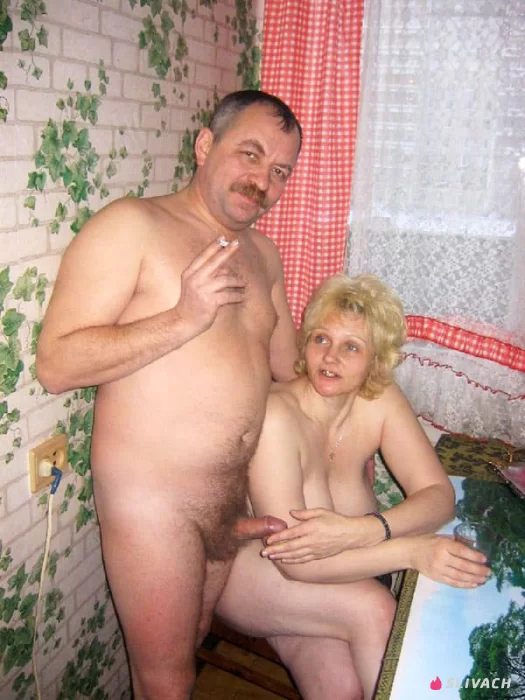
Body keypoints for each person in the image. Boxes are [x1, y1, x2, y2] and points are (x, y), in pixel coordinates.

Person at [36, 90, 304, 700]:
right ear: (205, 146)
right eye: (250, 154)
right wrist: (184, 318)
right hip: (155, 507)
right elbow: (56, 365)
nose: (263, 181)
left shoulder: (264, 255)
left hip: (229, 498)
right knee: (167, 680)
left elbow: (287, 369)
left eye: (280, 171)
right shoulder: (132, 226)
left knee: (194, 646)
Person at [216, 273, 491, 700]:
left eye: (352, 347)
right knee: (375, 610)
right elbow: (297, 564)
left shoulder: (379, 401)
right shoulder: (277, 418)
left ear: (375, 362)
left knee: (340, 688)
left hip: (339, 580)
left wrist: (362, 530)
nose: (331, 356)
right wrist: (412, 552)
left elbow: (439, 496)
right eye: (322, 339)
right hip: (262, 577)